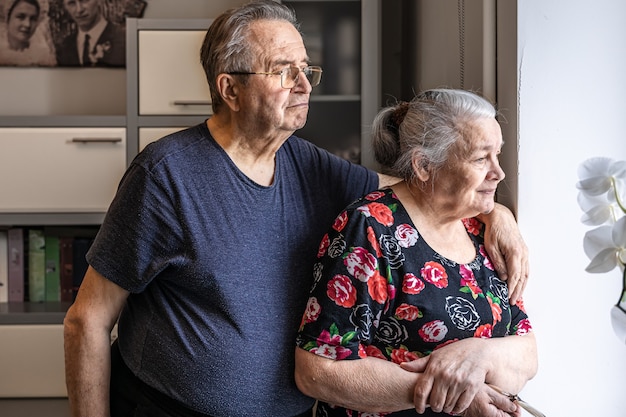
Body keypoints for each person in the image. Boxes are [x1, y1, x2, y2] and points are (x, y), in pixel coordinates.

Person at [63, 2, 529, 417]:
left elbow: (417, 188)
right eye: (283, 71)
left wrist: (494, 215)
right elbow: (87, 321)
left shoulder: (307, 163)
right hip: (162, 406)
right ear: (230, 89)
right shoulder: (165, 175)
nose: (305, 84)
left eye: (307, 69)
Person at [294, 89, 538, 417]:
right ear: (424, 166)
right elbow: (317, 371)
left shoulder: (484, 232)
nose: (499, 172)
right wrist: (449, 394)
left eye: (498, 154)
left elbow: (527, 354)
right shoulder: (371, 229)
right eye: (481, 158)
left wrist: (478, 356)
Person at [55, 0, 124, 66]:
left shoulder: (124, 40)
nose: (79, 10)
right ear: (65, 7)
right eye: (71, 3)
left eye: (84, 0)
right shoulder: (63, 48)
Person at [0, 0, 56, 65]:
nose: (27, 24)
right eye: (21, 17)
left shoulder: (42, 59)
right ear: (7, 18)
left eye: (33, 19)